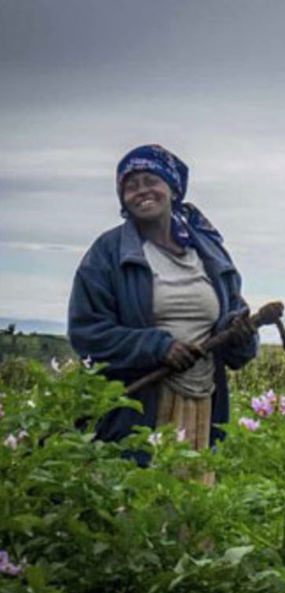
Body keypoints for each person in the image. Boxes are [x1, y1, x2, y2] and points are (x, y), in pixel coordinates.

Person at [68, 144, 258, 467]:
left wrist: (238, 335)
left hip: (203, 403)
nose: (141, 191)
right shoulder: (108, 253)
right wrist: (158, 347)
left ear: (172, 188)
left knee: (190, 503)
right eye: (130, 185)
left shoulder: (210, 252)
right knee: (141, 502)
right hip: (138, 408)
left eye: (150, 180)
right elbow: (87, 331)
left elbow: (235, 329)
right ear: (122, 199)